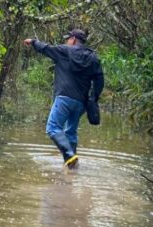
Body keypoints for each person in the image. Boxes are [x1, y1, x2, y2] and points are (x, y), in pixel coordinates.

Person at [23, 28, 105, 169]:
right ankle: (72, 166)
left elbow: (47, 48)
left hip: (64, 98)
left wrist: (33, 42)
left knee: (53, 128)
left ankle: (69, 155)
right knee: (70, 132)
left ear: (73, 39)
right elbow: (100, 80)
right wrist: (93, 99)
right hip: (81, 103)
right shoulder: (93, 58)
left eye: (68, 39)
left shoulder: (65, 50)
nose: (67, 41)